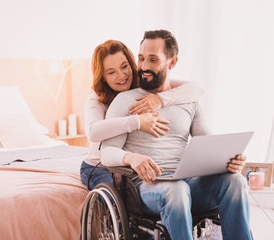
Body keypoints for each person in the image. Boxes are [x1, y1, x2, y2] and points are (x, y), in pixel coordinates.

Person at [100, 30, 251, 240]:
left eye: (153, 60)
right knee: (177, 190)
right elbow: (106, 152)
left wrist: (229, 160)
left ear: (172, 62)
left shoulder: (188, 100)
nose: (143, 67)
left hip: (187, 181)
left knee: (235, 182)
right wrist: (131, 158)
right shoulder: (125, 100)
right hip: (146, 187)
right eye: (141, 58)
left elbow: (207, 141)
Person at [80, 39, 205, 191]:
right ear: (103, 76)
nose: (121, 76)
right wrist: (137, 121)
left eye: (124, 66)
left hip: (128, 167)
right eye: (111, 72)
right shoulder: (96, 99)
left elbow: (197, 89)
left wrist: (160, 99)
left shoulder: (143, 84)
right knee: (117, 196)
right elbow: (93, 132)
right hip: (98, 166)